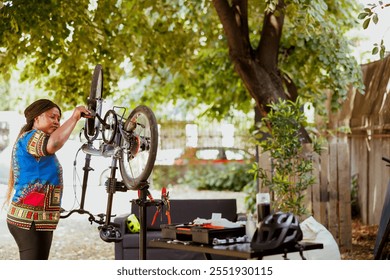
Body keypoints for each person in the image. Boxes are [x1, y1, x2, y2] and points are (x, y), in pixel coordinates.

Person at [4, 99, 90, 260]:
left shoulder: (34, 139)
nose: (57, 122)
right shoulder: (31, 137)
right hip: (29, 219)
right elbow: (55, 142)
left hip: (36, 218)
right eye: (52, 117)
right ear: (37, 118)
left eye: (58, 118)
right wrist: (74, 118)